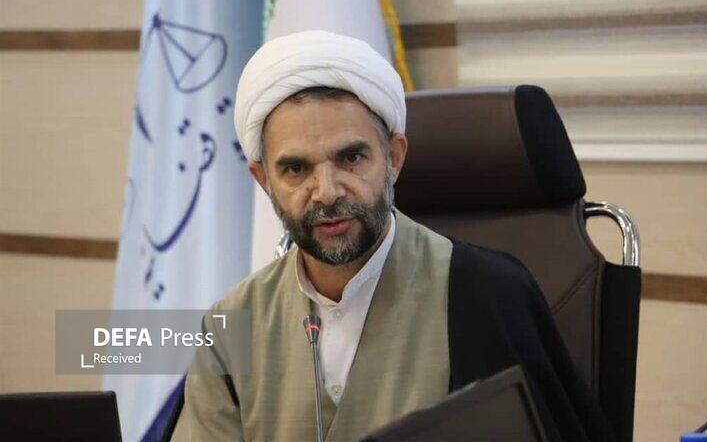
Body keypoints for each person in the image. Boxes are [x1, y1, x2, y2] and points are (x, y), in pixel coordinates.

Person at [174, 30, 615, 442]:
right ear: (263, 179)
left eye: (351, 158)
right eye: (296, 169)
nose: (326, 192)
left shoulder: (486, 293)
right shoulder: (230, 323)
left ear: (393, 157)